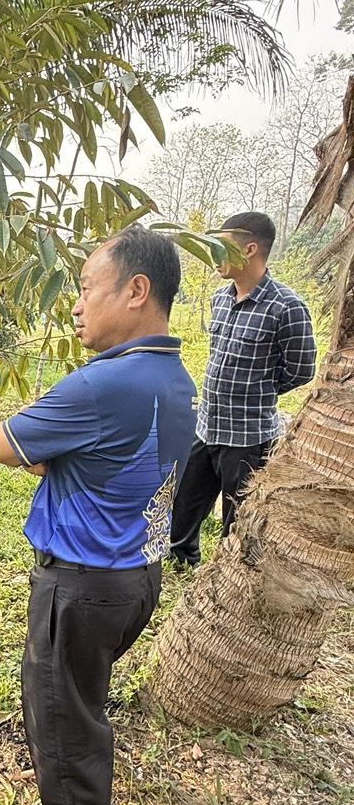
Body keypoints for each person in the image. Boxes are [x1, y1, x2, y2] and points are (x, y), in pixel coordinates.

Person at [0, 228, 197, 805]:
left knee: (64, 718)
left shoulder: (103, 384)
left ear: (136, 291)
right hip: (137, 575)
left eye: (84, 289)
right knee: (84, 698)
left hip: (80, 584)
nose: (75, 306)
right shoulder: (176, 377)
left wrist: (51, 455)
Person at [169, 211, 316, 567]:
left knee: (236, 520)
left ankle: (228, 574)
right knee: (183, 505)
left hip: (248, 435)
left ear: (250, 249)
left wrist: (257, 392)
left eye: (223, 246)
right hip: (207, 427)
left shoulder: (287, 307)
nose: (215, 255)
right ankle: (182, 560)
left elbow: (300, 370)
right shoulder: (221, 298)